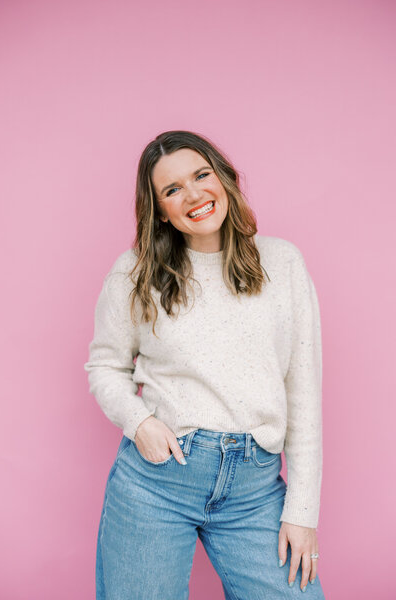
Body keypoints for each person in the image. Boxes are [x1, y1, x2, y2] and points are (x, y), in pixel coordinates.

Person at [84, 130, 326, 599]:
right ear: (160, 210)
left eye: (201, 175)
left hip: (256, 490)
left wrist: (303, 511)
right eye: (172, 190)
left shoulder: (283, 264)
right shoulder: (134, 273)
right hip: (157, 484)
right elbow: (105, 366)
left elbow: (304, 392)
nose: (193, 194)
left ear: (225, 178)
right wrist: (140, 423)